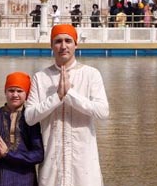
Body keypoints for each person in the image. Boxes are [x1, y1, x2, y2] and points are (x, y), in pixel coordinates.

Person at [25, 24, 109, 186]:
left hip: (83, 164)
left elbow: (103, 112)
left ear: (76, 44)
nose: (63, 46)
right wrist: (56, 97)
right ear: (51, 45)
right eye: (58, 41)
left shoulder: (91, 74)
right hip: (52, 164)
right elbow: (29, 117)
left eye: (68, 41)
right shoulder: (40, 77)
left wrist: (70, 95)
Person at [0, 72, 44, 186]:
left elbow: (38, 154)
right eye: (11, 90)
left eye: (19, 91)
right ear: (5, 92)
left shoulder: (30, 118)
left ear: (27, 94)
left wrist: (9, 154)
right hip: (0, 178)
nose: (15, 94)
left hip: (26, 179)